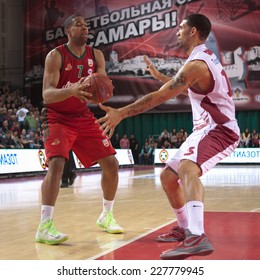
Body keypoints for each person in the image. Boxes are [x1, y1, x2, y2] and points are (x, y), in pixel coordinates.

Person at [97, 14, 240, 259]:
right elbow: (182, 85)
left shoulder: (196, 64)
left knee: (187, 169)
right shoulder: (201, 59)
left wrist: (120, 112)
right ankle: (185, 229)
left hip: (220, 128)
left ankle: (197, 236)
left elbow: (161, 96)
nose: (177, 32)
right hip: (205, 129)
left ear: (193, 31)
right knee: (167, 177)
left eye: (181, 28)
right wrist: (161, 78)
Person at [35, 14, 124, 245]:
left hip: (82, 116)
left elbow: (101, 85)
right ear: (68, 31)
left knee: (112, 164)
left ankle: (106, 215)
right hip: (56, 117)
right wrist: (71, 91)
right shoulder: (55, 56)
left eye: (86, 25)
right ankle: (44, 226)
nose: (85, 28)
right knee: (56, 165)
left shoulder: (96, 55)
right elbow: (46, 94)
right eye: (79, 25)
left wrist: (103, 92)